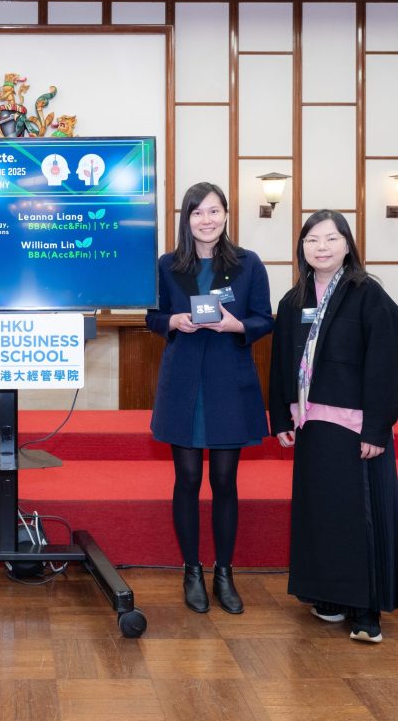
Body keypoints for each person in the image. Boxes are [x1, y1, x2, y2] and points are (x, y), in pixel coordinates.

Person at [269, 210, 398, 643]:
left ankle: (366, 610)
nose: (321, 247)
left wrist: (377, 429)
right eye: (311, 240)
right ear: (302, 247)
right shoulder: (294, 299)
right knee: (319, 513)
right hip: (310, 424)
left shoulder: (368, 295)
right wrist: (281, 417)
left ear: (347, 244)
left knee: (356, 517)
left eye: (330, 238)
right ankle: (327, 595)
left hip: (355, 428)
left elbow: (385, 365)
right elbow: (280, 362)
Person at [146, 182, 272, 615]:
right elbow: (152, 316)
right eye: (198, 212)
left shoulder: (248, 264)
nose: (207, 220)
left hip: (227, 384)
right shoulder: (167, 265)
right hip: (183, 384)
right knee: (187, 480)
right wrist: (173, 320)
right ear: (186, 218)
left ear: (225, 215)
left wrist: (236, 326)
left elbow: (263, 318)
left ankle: (224, 573)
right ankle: (192, 570)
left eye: (214, 211)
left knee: (224, 482)